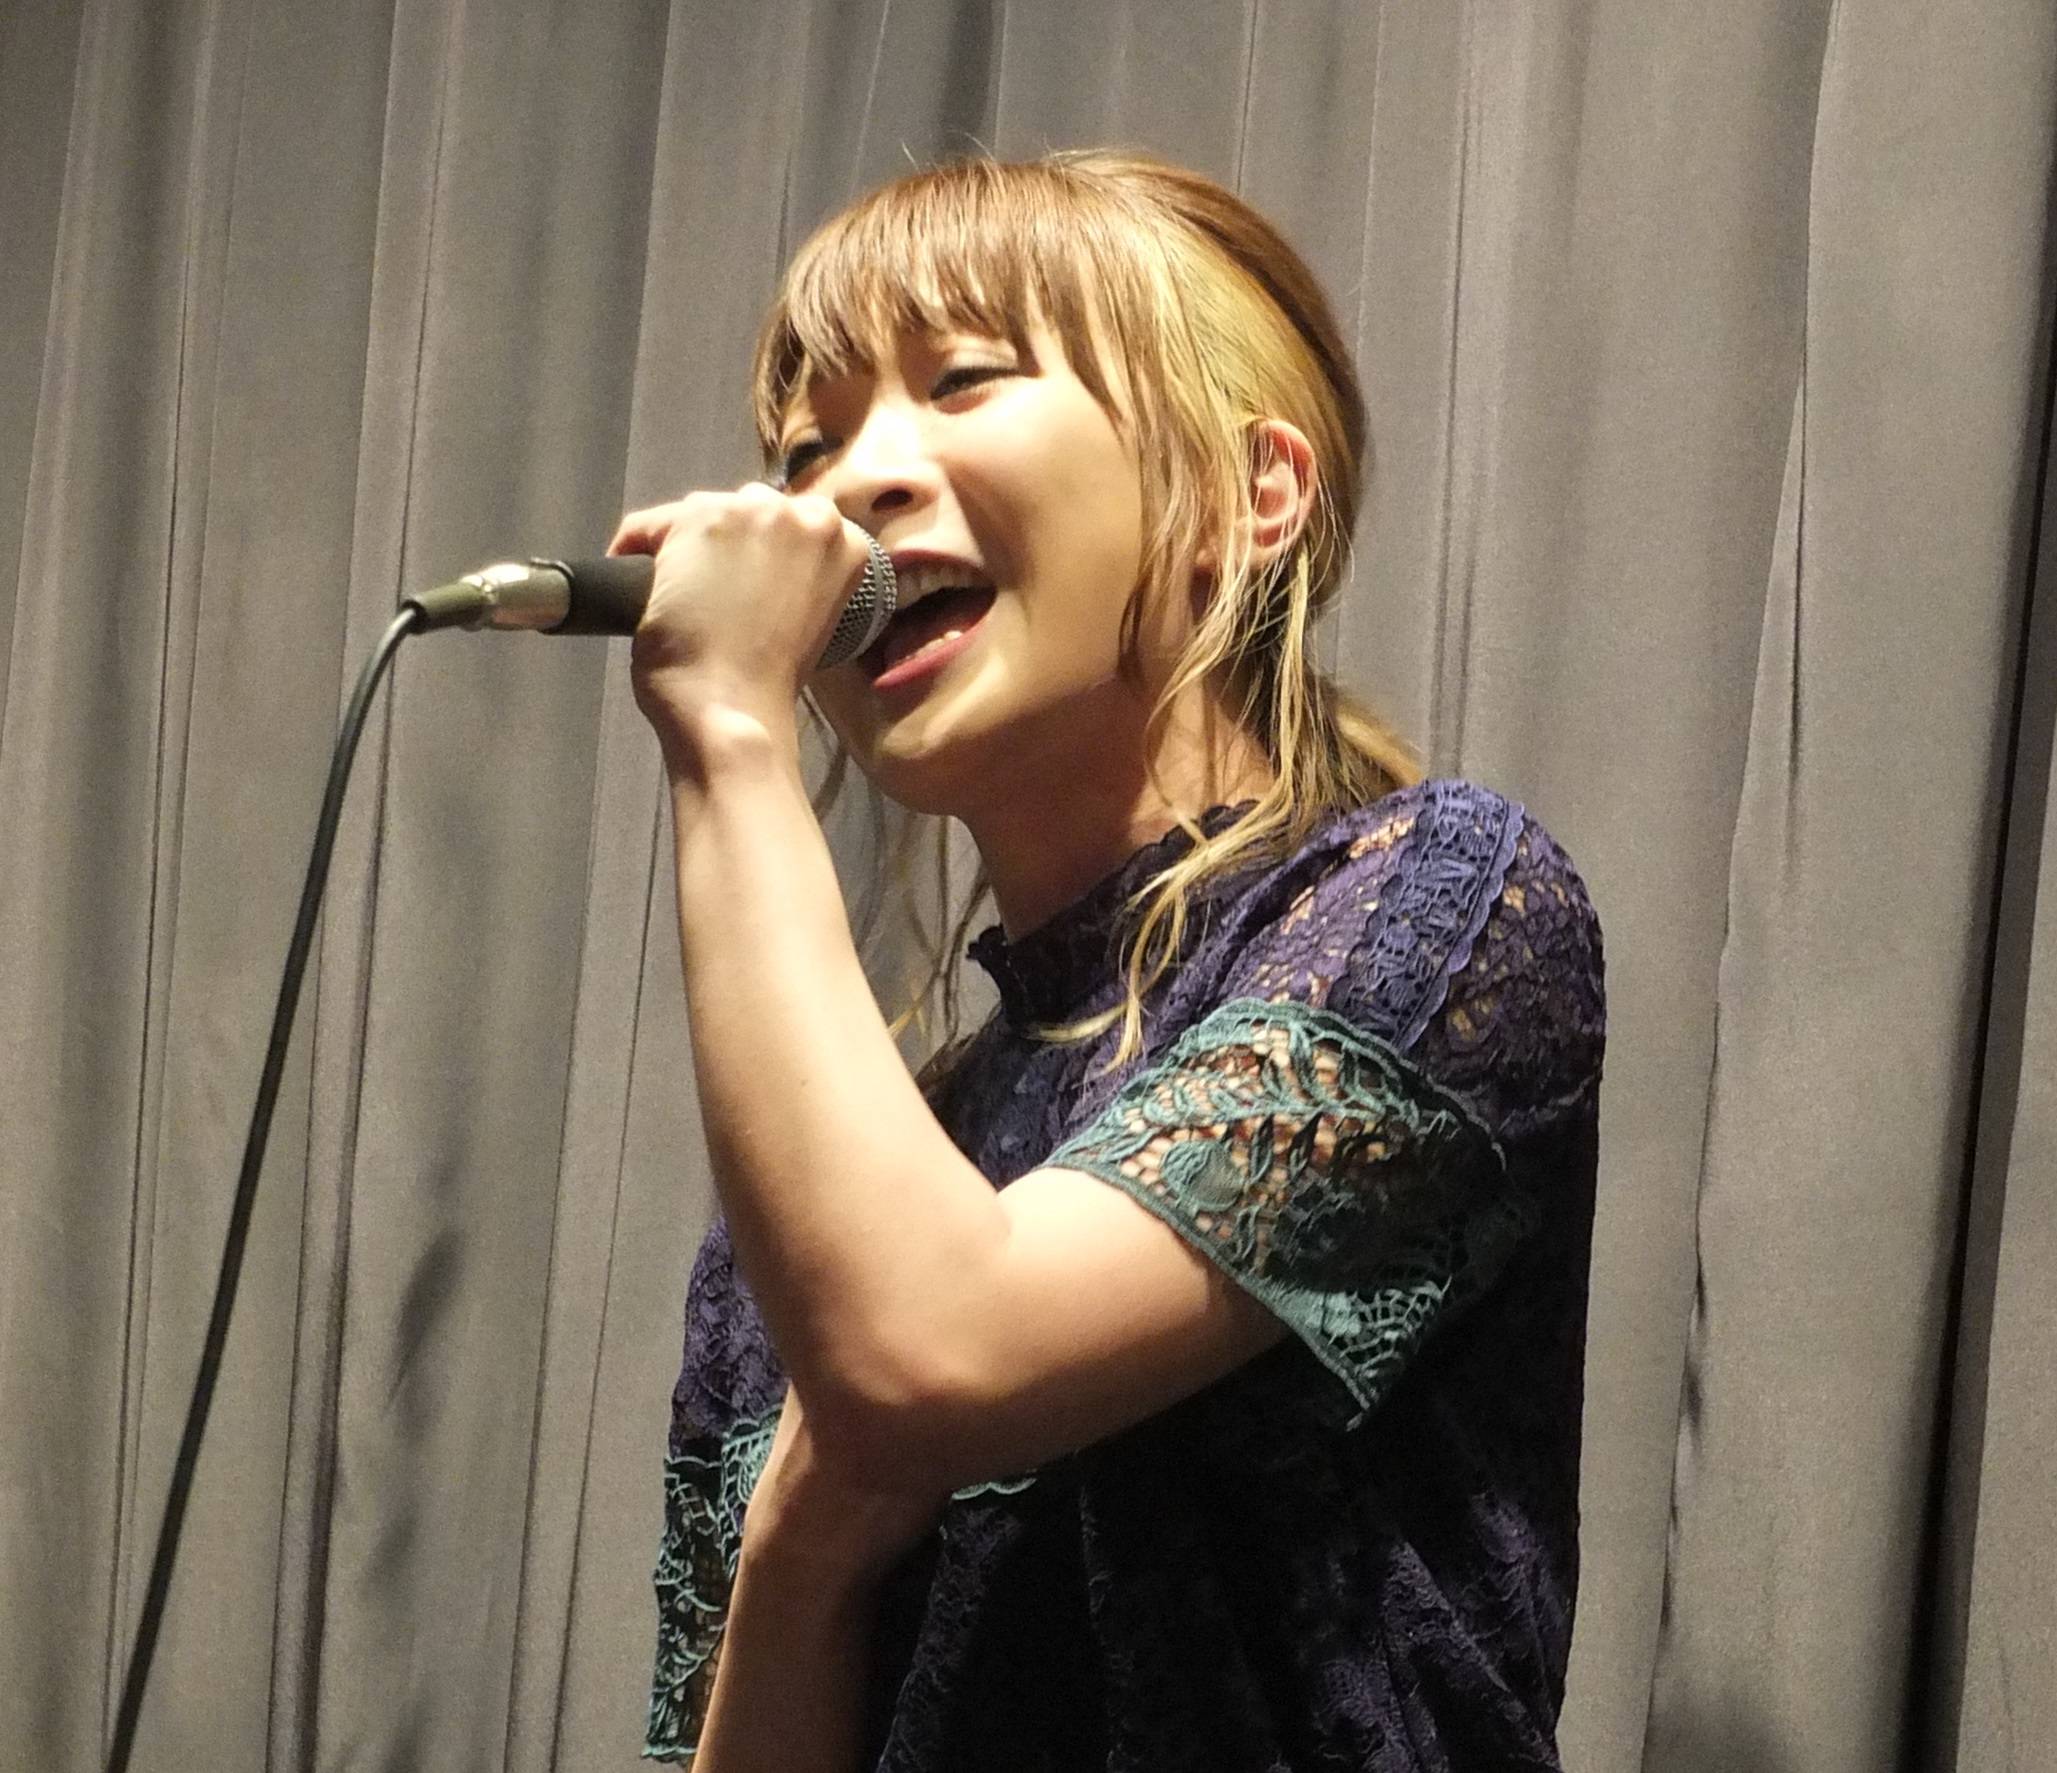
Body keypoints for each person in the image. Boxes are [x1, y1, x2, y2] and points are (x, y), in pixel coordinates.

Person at [613, 149, 1606, 1772]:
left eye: (961, 380)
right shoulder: (832, 1189)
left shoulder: (1439, 909)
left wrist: (728, 730)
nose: (845, 489)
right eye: (807, 447)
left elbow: (933, 1348)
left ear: (1248, 494)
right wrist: (798, 1551)